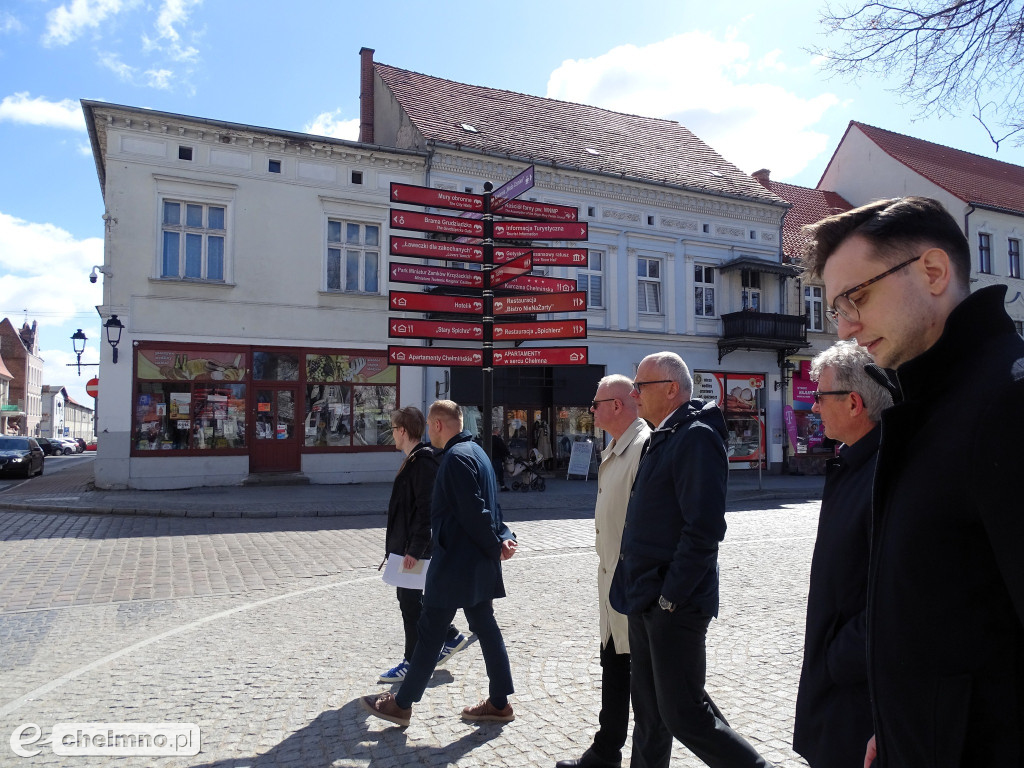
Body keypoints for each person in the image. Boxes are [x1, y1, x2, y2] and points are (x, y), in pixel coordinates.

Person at [803, 196, 1024, 768]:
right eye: (836, 308)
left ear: (932, 271)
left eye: (857, 297)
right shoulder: (927, 406)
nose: (845, 326)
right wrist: (901, 719)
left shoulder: (1007, 402)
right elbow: (943, 609)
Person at [610, 352, 771, 768]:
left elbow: (704, 528)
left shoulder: (695, 436)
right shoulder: (665, 433)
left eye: (640, 385)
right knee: (650, 715)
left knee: (684, 714)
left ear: (670, 389)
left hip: (673, 602)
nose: (634, 393)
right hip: (645, 594)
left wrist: (671, 596)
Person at [361, 399, 519, 727]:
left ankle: (401, 705)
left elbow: (474, 511)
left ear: (437, 425)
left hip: (454, 566)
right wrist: (503, 535)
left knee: (431, 632)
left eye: (429, 427)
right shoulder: (478, 453)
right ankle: (499, 703)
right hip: (474, 565)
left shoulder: (456, 458)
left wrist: (496, 543)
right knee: (484, 628)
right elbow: (492, 506)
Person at [793, 341, 892, 768]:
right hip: (837, 688)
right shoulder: (853, 463)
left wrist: (839, 658)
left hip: (856, 695)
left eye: (820, 396)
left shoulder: (883, 472)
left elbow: (897, 594)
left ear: (854, 403)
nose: (814, 407)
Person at [557, 375, 650, 768]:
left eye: (595, 404)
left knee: (656, 688)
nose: (590, 410)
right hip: (613, 583)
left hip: (635, 587)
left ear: (617, 405)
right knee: (613, 664)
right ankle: (606, 750)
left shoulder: (644, 446)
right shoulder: (615, 447)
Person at [377, 406, 469, 684]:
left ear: (403, 431)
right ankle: (449, 636)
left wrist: (414, 550)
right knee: (413, 600)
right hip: (409, 547)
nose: (392, 434)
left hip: (416, 550)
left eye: (393, 429)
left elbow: (427, 511)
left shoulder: (422, 463)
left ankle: (413, 661)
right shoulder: (414, 460)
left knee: (410, 602)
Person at [491, 426, 510, 491]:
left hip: (491, 457)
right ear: (496, 431)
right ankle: (502, 486)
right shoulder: (498, 440)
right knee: (499, 472)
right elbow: (503, 448)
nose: (499, 432)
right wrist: (508, 453)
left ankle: (492, 485)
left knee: (494, 471)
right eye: (499, 431)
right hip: (497, 458)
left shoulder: (489, 439)